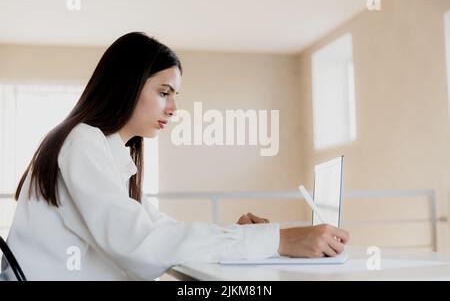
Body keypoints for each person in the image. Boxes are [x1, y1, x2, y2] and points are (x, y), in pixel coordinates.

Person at [1, 32, 349, 280]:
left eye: (175, 94)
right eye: (164, 92)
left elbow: (158, 228)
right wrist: (279, 239)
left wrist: (237, 235)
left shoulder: (106, 152)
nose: (174, 107)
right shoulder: (82, 142)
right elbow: (140, 246)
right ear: (127, 85)